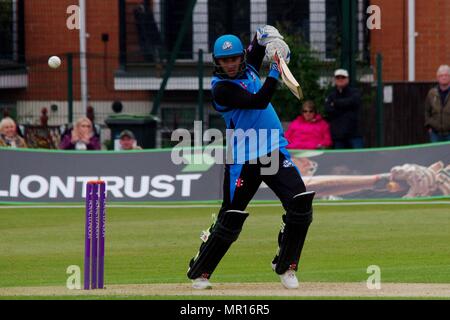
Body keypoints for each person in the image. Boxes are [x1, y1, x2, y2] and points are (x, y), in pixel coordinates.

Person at [187, 26, 314, 290]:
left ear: (241, 58)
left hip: (273, 150)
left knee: (300, 204)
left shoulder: (250, 67)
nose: (230, 64)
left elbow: (257, 44)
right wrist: (277, 68)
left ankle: (285, 264)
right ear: (217, 62)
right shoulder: (221, 88)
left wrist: (267, 35)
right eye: (224, 60)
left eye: (234, 58)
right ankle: (200, 271)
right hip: (243, 160)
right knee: (230, 216)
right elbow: (259, 100)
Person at [325, 69, 363, 149]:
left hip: (354, 133)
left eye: (343, 77)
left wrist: (335, 103)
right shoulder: (331, 94)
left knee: (359, 158)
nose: (340, 79)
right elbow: (328, 109)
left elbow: (354, 102)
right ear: (335, 80)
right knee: (339, 160)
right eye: (338, 78)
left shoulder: (354, 92)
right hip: (338, 135)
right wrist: (346, 106)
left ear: (347, 79)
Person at [425, 65, 450, 142]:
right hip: (435, 134)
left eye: (446, 75)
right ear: (437, 78)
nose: (444, 77)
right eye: (441, 75)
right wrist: (429, 126)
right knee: (435, 154)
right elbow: (427, 111)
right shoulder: (431, 93)